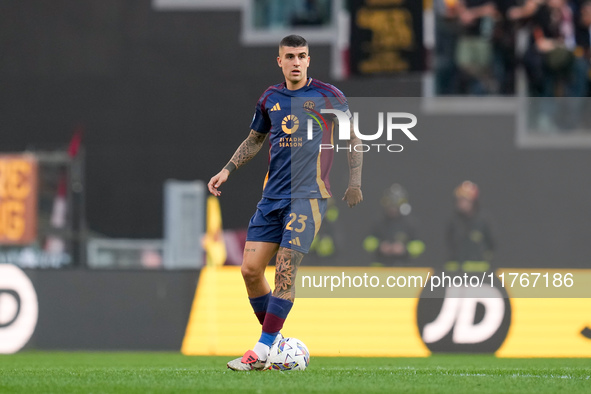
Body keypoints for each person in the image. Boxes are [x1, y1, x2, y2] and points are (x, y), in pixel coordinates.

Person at [208, 35, 363, 371]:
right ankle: (276, 342)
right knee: (250, 270)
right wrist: (227, 169)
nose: (296, 61)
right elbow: (254, 140)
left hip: (308, 196)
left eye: (302, 56)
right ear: (279, 61)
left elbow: (353, 138)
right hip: (272, 198)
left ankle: (261, 350)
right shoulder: (270, 98)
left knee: (285, 270)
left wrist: (355, 183)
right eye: (289, 56)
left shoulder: (329, 96)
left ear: (309, 60)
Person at [363, 184, 425, 266]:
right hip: (380, 265)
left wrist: (404, 248)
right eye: (390, 206)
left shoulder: (410, 223)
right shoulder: (378, 222)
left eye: (395, 206)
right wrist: (380, 246)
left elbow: (419, 245)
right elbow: (367, 242)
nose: (392, 209)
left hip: (404, 266)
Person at [445, 181, 495, 273]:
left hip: (479, 272)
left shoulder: (483, 220)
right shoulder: (454, 221)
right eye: (459, 200)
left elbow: (491, 244)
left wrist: (483, 257)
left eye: (465, 200)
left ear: (473, 201)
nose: (461, 203)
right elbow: (449, 242)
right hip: (456, 271)